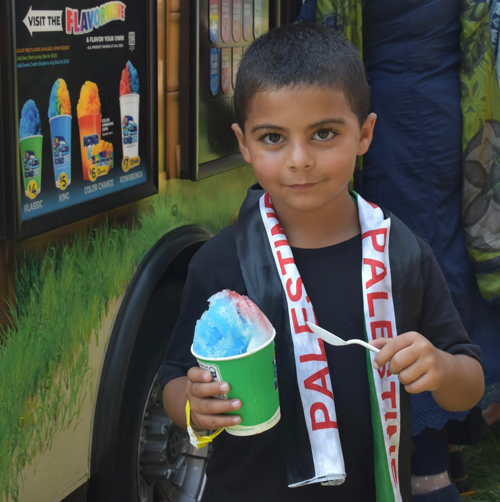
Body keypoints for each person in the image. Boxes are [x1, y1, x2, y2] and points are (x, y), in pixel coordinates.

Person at [159, 23, 484, 502]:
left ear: (365, 133)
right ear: (243, 143)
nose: (299, 159)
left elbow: (469, 382)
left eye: (324, 133)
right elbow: (172, 376)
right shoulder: (221, 261)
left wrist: (439, 368)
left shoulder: (402, 254)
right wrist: (191, 403)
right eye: (272, 137)